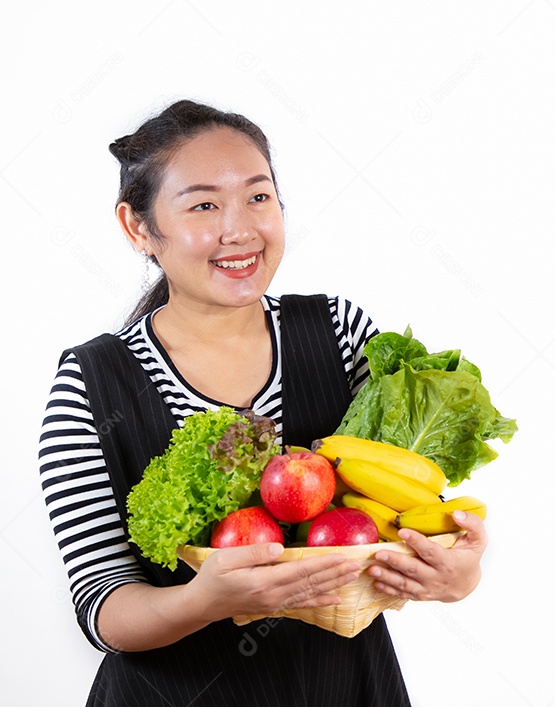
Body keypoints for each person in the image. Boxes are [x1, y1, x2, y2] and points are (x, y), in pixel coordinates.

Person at [37, 99, 487, 706]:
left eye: (258, 197)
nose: (240, 229)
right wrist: (207, 601)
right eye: (203, 205)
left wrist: (456, 574)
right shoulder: (94, 380)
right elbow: (102, 607)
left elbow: (405, 506)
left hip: (345, 688)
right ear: (138, 227)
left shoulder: (338, 332)